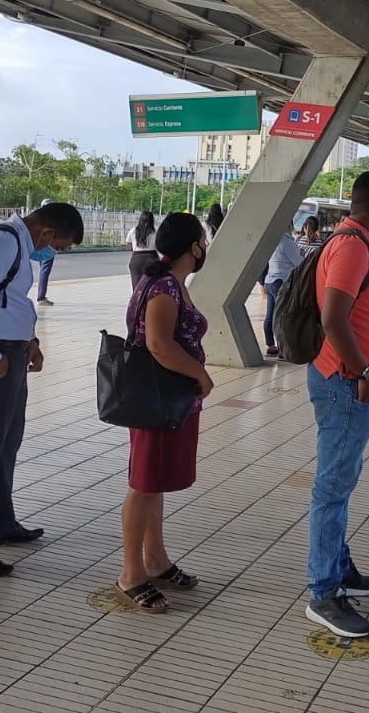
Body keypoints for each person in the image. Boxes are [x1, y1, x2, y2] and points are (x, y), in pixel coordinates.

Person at [0, 202, 84, 576]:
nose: (53, 254)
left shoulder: (17, 244)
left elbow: (9, 303)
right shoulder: (3, 243)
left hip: (10, 352)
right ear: (45, 233)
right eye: (58, 247)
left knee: (6, 444)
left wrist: (30, 339)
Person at [304, 171, 369, 639]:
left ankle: (339, 569)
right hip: (343, 382)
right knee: (332, 488)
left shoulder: (359, 242)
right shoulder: (353, 246)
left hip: (347, 381)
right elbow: (332, 316)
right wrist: (362, 371)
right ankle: (323, 593)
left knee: (342, 479)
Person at [116, 213, 214, 613]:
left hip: (170, 399)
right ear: (193, 247)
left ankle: (155, 559)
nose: (205, 249)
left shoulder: (171, 284)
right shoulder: (162, 289)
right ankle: (130, 574)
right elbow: (158, 345)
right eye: (202, 242)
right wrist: (201, 376)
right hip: (156, 399)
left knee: (154, 482)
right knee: (143, 484)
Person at [263, 221, 304, 357]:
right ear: (289, 225)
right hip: (281, 281)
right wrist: (302, 254)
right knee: (283, 317)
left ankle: (271, 345)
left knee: (270, 315)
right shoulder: (286, 242)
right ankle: (284, 349)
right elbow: (298, 262)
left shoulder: (273, 240)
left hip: (270, 280)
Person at [126, 211, 158, 289]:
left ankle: (137, 300)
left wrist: (136, 246)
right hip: (151, 258)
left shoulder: (133, 230)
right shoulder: (154, 232)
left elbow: (127, 242)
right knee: (151, 286)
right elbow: (158, 245)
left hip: (136, 259)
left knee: (136, 286)